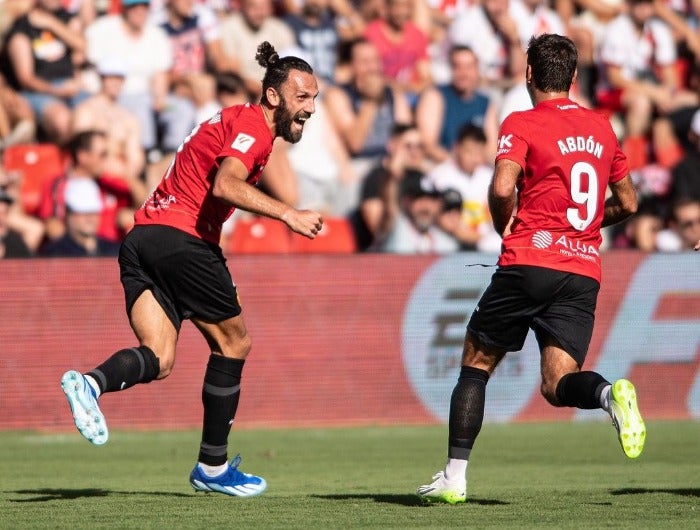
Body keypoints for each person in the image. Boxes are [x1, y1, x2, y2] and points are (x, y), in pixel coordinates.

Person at [60, 42, 322, 498]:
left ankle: (90, 383)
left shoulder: (233, 120)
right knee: (235, 342)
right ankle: (213, 468)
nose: (311, 108)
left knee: (159, 359)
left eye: (315, 98)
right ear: (275, 96)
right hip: (181, 240)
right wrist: (288, 214)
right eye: (303, 97)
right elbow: (225, 184)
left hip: (141, 240)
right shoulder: (253, 128)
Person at [416, 34, 643, 504]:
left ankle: (454, 478)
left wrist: (507, 227)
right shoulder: (602, 127)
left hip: (530, 258)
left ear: (527, 74)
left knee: (476, 365)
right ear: (575, 78)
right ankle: (607, 395)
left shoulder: (521, 122)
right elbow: (629, 201)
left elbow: (502, 188)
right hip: (582, 269)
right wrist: (581, 227)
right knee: (557, 385)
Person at [41, 177, 122, 257]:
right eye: (83, 212)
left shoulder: (114, 251)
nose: (90, 218)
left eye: (93, 212)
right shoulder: (55, 253)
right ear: (68, 213)